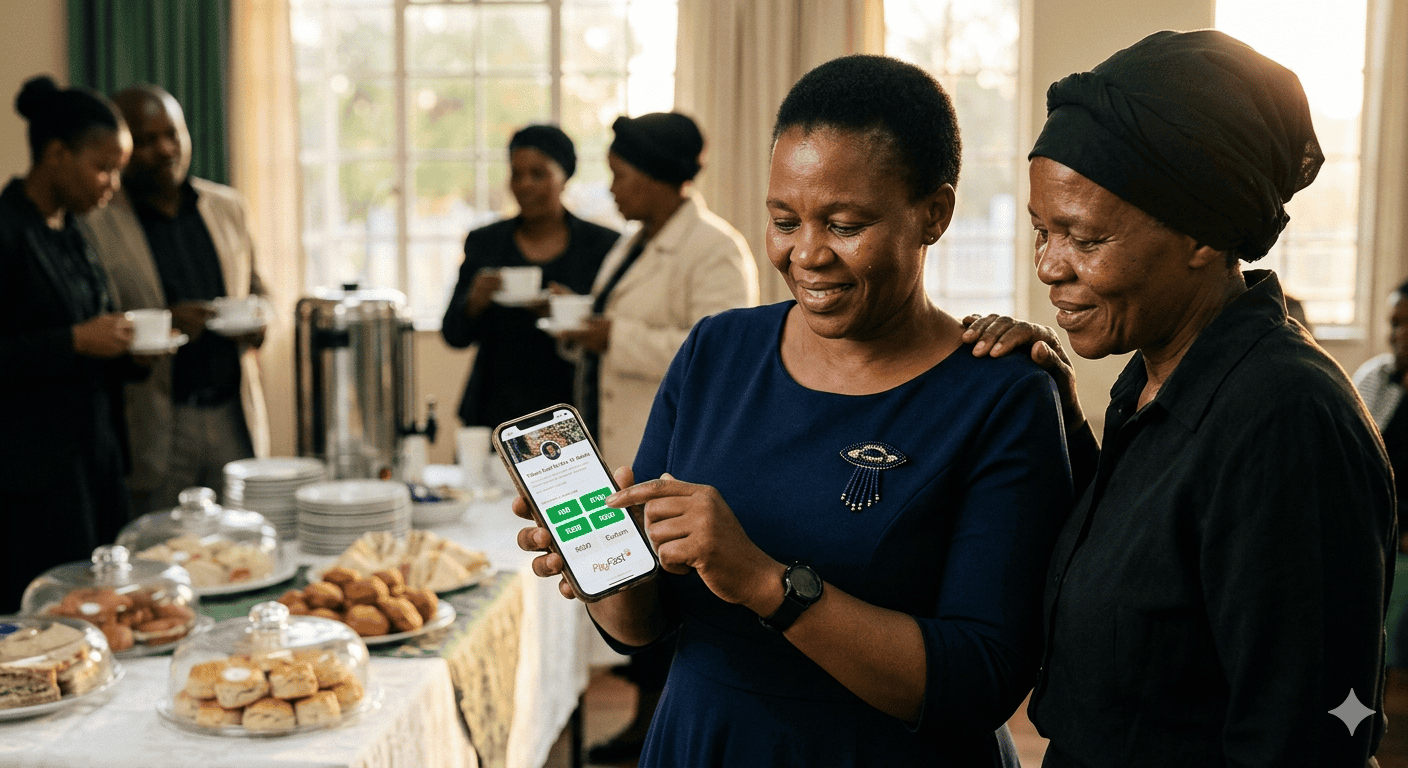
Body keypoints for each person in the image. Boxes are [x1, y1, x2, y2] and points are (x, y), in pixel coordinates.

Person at [519, 55, 1074, 766]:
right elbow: (644, 623)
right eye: (784, 220)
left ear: (934, 214)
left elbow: (981, 679)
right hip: (703, 741)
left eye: (844, 224)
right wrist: (604, 566)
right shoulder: (717, 351)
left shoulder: (999, 394)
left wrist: (765, 581)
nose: (807, 253)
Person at [961, 30, 1395, 767]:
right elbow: (1160, 574)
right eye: (1041, 231)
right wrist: (1058, 412)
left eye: (1084, 238)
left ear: (1202, 233)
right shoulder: (1155, 378)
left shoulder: (1286, 419)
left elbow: (1300, 736)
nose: (1048, 267)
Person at [551, 111, 759, 763]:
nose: (612, 189)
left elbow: (722, 353)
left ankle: (661, 727)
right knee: (629, 583)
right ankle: (646, 722)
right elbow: (623, 319)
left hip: (677, 453)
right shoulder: (635, 239)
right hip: (623, 442)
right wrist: (584, 320)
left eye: (621, 175)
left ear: (662, 179)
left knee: (665, 590)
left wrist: (615, 336)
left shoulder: (714, 248)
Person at [80, 84, 270, 515]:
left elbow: (261, 290)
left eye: (173, 134)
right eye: (146, 141)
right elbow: (94, 317)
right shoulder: (97, 223)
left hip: (233, 413)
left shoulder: (227, 207)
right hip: (156, 421)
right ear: (123, 149)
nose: (165, 149)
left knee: (243, 549)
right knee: (158, 557)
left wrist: (259, 319)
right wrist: (166, 321)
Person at [0, 75, 134, 611]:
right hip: (30, 480)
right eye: (102, 168)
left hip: (92, 459)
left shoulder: (72, 229)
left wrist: (127, 347)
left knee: (108, 613)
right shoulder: (6, 231)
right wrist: (73, 340)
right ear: (56, 155)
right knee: (49, 623)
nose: (112, 185)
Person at [441, 125, 620, 434]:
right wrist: (474, 300)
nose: (525, 185)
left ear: (564, 177)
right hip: (493, 412)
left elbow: (612, 331)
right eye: (516, 174)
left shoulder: (603, 246)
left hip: (570, 409)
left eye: (538, 174)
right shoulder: (486, 242)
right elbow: (454, 335)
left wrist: (568, 312)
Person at [1352, 279, 1408, 670]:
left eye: (1407, 323)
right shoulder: (1375, 378)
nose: (1397, 335)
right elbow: (1354, 461)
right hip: (1377, 522)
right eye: (1393, 323)